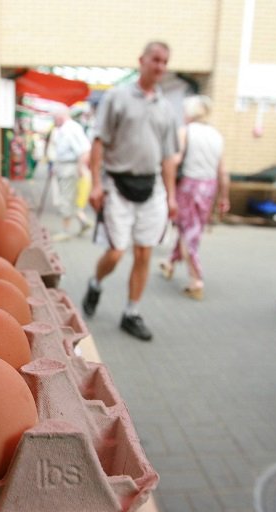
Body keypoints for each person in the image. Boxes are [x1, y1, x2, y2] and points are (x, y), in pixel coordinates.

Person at [81, 40, 179, 341]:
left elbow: (168, 157)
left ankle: (131, 312)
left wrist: (172, 196)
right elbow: (99, 141)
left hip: (151, 187)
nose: (160, 66)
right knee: (116, 252)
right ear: (142, 60)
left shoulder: (166, 109)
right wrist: (96, 184)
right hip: (117, 184)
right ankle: (96, 283)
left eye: (165, 61)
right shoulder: (117, 97)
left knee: (144, 252)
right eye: (155, 60)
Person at [159, 95, 230, 300]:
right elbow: (223, 171)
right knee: (192, 228)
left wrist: (168, 188)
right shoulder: (217, 136)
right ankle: (170, 263)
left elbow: (174, 160)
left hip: (189, 186)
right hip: (209, 187)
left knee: (187, 231)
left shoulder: (186, 132)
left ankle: (196, 278)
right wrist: (224, 197)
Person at [48, 107, 93, 239]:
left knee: (66, 198)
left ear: (60, 116)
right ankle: (83, 221)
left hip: (70, 167)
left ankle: (65, 231)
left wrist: (80, 167)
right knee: (71, 198)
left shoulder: (70, 129)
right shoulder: (66, 128)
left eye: (55, 118)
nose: (54, 121)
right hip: (66, 166)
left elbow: (84, 150)